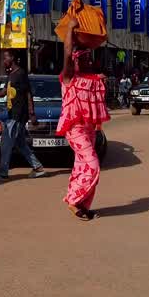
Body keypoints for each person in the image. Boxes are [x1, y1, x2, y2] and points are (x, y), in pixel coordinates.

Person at [57, 38, 110, 221]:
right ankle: (73, 201)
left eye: (89, 59)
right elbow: (67, 52)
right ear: (75, 60)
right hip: (75, 129)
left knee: (81, 167)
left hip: (88, 129)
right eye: (84, 59)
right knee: (93, 165)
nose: (88, 62)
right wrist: (71, 28)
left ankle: (83, 206)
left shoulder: (92, 79)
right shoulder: (67, 77)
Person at [0, 50, 46, 181]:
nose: (4, 60)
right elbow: (3, 93)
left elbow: (28, 93)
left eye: (5, 58)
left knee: (6, 143)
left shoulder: (21, 73)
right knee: (20, 143)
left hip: (18, 114)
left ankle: (2, 173)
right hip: (11, 113)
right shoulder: (10, 75)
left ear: (12, 58)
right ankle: (38, 167)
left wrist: (32, 113)